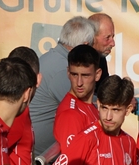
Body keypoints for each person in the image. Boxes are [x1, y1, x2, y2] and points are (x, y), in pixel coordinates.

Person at [30, 16, 97, 155]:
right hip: (43, 156)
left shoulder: (53, 58)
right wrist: (117, 102)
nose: (79, 81)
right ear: (85, 45)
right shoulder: (61, 68)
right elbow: (84, 104)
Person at [53, 44, 102, 148]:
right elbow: (72, 157)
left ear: (97, 75)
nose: (79, 83)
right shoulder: (70, 114)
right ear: (68, 73)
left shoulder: (92, 108)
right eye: (74, 74)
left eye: (85, 75)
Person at [89, 13, 116, 79]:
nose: (113, 44)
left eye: (112, 37)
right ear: (92, 37)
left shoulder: (101, 58)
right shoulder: (75, 60)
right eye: (107, 38)